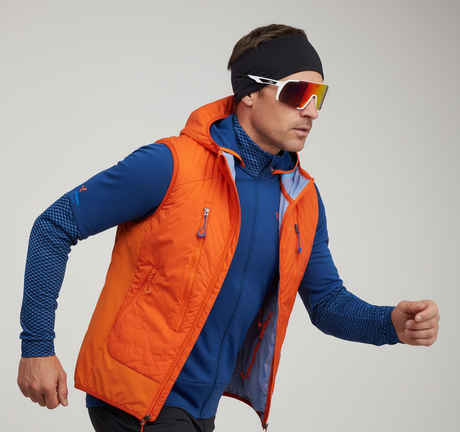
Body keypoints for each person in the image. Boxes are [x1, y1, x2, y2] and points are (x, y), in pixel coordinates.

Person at [18, 24, 440, 432]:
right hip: (135, 400)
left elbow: (326, 302)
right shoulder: (170, 165)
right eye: (298, 92)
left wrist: (390, 324)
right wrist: (37, 347)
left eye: (319, 96)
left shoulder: (300, 200)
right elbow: (55, 226)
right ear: (250, 92)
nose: (311, 111)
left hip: (201, 409)